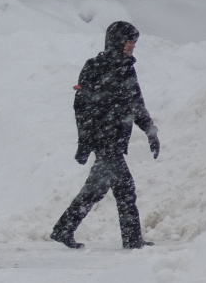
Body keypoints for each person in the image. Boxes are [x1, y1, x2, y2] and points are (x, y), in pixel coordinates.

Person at [51, 21, 161, 250]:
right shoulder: (94, 66)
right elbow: (82, 108)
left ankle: (63, 229)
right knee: (126, 189)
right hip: (103, 140)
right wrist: (85, 142)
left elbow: (136, 103)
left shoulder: (127, 68)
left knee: (96, 188)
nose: (132, 46)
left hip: (117, 139)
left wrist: (150, 131)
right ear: (118, 41)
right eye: (129, 41)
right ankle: (132, 240)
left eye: (134, 42)